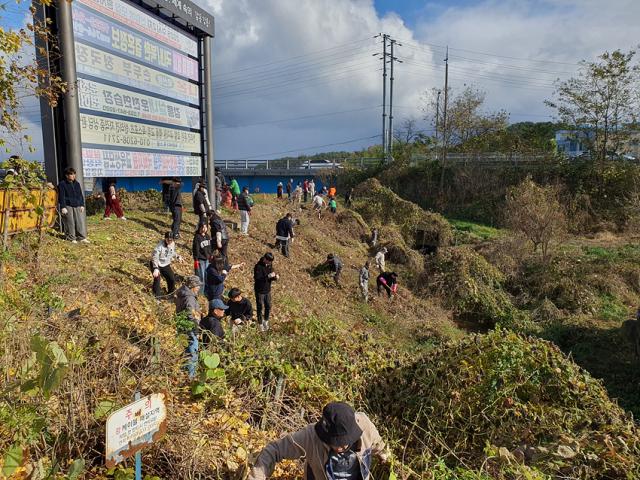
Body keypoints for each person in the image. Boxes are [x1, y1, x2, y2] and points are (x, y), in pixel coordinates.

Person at [248, 401, 388, 480]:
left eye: (344, 442)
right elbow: (274, 450)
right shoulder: (310, 436)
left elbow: (380, 447)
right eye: (335, 442)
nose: (339, 447)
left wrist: (385, 459)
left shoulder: (365, 425)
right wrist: (256, 477)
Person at [175, 275, 203, 378]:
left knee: (186, 348)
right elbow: (190, 314)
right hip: (190, 326)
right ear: (192, 286)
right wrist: (196, 325)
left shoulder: (183, 293)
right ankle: (191, 376)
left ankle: (183, 371)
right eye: (197, 286)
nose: (199, 288)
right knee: (193, 350)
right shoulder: (189, 297)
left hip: (182, 325)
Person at [58, 167, 88, 243]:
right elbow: (61, 196)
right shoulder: (62, 184)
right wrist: (63, 207)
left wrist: (82, 205)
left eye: (74, 174)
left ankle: (81, 237)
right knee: (70, 221)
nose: (73, 175)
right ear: (66, 175)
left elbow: (80, 195)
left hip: (77, 204)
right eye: (71, 174)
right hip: (68, 205)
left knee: (79, 221)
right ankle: (71, 238)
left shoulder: (77, 183)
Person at [151, 232, 182, 298]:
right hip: (157, 264)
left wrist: (177, 256)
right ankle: (157, 297)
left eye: (171, 240)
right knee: (157, 279)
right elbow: (155, 257)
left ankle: (170, 294)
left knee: (171, 278)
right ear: (165, 239)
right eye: (168, 240)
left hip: (165, 264)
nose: (169, 241)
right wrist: (156, 268)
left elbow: (172, 252)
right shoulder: (159, 246)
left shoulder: (172, 243)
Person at [254, 252, 279, 332]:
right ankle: (260, 323)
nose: (270, 263)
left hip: (267, 290)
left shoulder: (270, 265)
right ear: (265, 259)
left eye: (271, 262)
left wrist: (275, 277)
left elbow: (270, 278)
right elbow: (257, 279)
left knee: (268, 306)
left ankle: (266, 321)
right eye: (269, 261)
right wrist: (268, 276)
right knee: (260, 307)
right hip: (259, 290)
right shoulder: (258, 266)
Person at [192, 222, 212, 294]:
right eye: (202, 227)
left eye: (205, 227)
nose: (204, 229)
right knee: (201, 276)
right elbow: (195, 249)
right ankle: (200, 292)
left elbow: (210, 247)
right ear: (199, 228)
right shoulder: (197, 237)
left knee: (207, 275)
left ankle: (206, 290)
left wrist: (210, 255)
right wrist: (196, 260)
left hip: (207, 259)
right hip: (200, 260)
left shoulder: (207, 236)